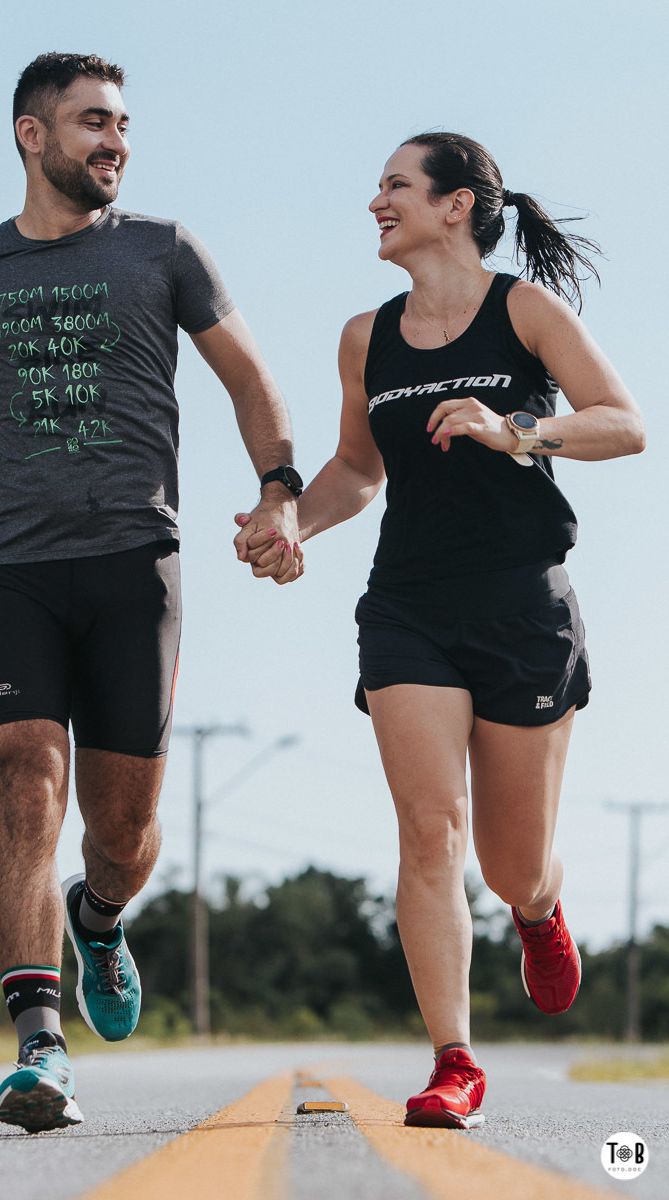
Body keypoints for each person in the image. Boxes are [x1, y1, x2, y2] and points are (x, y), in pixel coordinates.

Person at [0, 51, 303, 1133]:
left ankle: (100, 916)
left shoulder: (163, 249)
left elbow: (247, 376)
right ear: (32, 136)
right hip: (4, 563)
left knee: (124, 828)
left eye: (121, 123)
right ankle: (39, 1044)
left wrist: (279, 491)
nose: (114, 140)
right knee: (24, 781)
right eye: (92, 122)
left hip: (132, 559)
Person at [236, 132, 645, 1128]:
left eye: (395, 185)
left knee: (509, 864)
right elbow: (356, 468)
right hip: (408, 608)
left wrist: (516, 431)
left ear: (456, 204)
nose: (376, 201)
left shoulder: (523, 311)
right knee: (429, 832)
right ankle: (453, 1061)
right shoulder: (364, 337)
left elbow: (623, 423)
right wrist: (289, 524)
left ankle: (537, 907)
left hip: (522, 607)